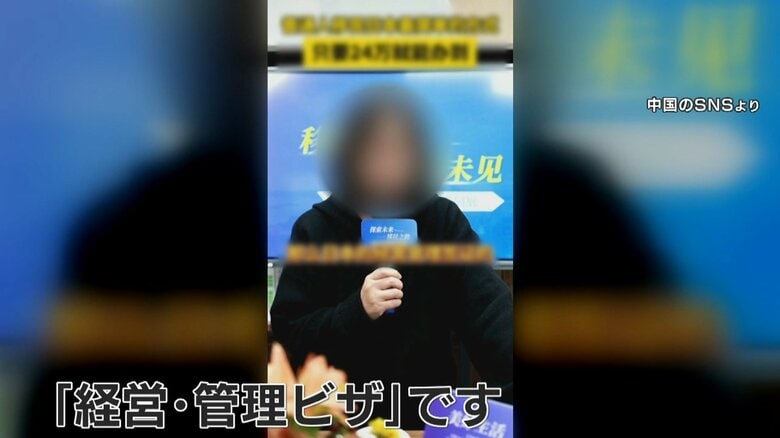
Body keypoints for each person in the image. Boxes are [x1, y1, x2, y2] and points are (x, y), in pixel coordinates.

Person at [270, 86, 513, 429]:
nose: (388, 167)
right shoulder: (315, 229)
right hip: (342, 422)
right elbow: (289, 335)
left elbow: (489, 312)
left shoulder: (441, 220)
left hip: (425, 418)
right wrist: (355, 311)